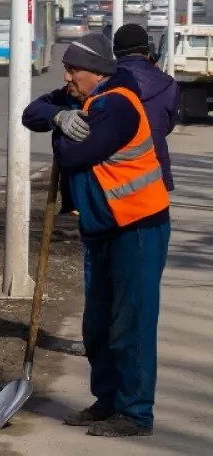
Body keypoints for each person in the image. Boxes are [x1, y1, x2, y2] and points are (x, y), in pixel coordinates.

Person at [22, 33, 170, 438]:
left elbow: (73, 155)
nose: (66, 76)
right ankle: (107, 401)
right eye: (67, 68)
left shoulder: (118, 106)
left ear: (98, 73)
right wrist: (56, 117)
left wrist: (58, 128)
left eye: (74, 69)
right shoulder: (86, 98)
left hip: (137, 227)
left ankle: (136, 412)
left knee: (131, 323)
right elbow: (30, 112)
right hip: (102, 227)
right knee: (98, 324)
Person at [112, 23, 178, 191]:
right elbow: (168, 126)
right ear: (147, 50)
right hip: (155, 172)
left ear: (115, 51)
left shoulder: (106, 80)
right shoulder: (168, 83)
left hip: (115, 175)